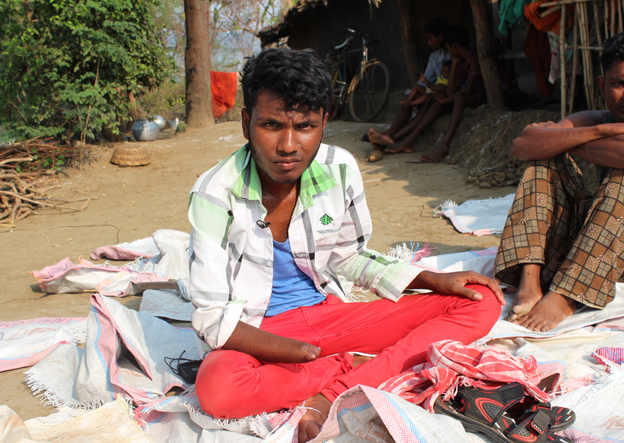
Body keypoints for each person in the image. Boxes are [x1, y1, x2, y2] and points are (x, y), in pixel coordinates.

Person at [188, 48, 504, 442]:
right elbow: (212, 318)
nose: (288, 145)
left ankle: (331, 393)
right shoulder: (214, 193)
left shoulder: (339, 168)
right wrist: (302, 353)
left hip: (329, 316)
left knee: (479, 299)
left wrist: (428, 278)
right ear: (245, 122)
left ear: (324, 122)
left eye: (305, 126)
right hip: (260, 330)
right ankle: (347, 371)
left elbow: (350, 256)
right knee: (217, 386)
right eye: (271, 125)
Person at [495, 32, 624, 332]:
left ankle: (565, 296)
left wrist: (559, 141)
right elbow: (523, 144)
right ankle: (531, 281)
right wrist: (599, 132)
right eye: (619, 84)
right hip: (596, 244)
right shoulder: (596, 119)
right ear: (603, 85)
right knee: (542, 158)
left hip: (616, 249)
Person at [369, 26, 485, 162]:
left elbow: (465, 90)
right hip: (455, 95)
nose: (448, 52)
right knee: (432, 102)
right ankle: (403, 141)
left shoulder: (474, 57)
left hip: (476, 96)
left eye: (449, 48)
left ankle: (443, 146)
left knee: (455, 98)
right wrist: (454, 65)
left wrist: (446, 101)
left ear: (454, 46)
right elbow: (450, 91)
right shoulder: (458, 61)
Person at [364, 18, 450, 150]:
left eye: (430, 38)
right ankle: (390, 134)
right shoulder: (435, 57)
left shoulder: (454, 55)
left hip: (443, 95)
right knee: (409, 99)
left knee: (423, 109)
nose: (428, 42)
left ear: (441, 37)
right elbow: (425, 80)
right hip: (432, 92)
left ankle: (393, 137)